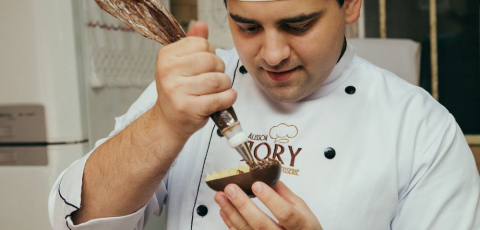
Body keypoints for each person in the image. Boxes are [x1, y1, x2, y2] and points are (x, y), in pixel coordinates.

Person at [49, 0, 480, 229]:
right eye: (248, 27)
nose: (272, 55)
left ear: (350, 4)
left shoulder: (422, 129)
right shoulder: (194, 88)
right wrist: (163, 124)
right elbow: (79, 222)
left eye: (298, 25)